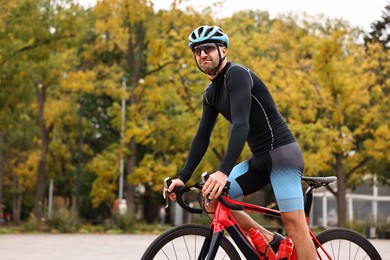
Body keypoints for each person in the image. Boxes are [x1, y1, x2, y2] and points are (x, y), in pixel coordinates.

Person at [164, 25, 317, 259]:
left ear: (223, 50)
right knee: (212, 201)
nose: (202, 54)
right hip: (259, 160)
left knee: (293, 223)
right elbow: (202, 137)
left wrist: (223, 171)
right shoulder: (210, 93)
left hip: (283, 156)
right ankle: (268, 240)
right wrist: (182, 177)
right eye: (197, 51)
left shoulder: (237, 74)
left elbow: (241, 124)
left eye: (207, 48)